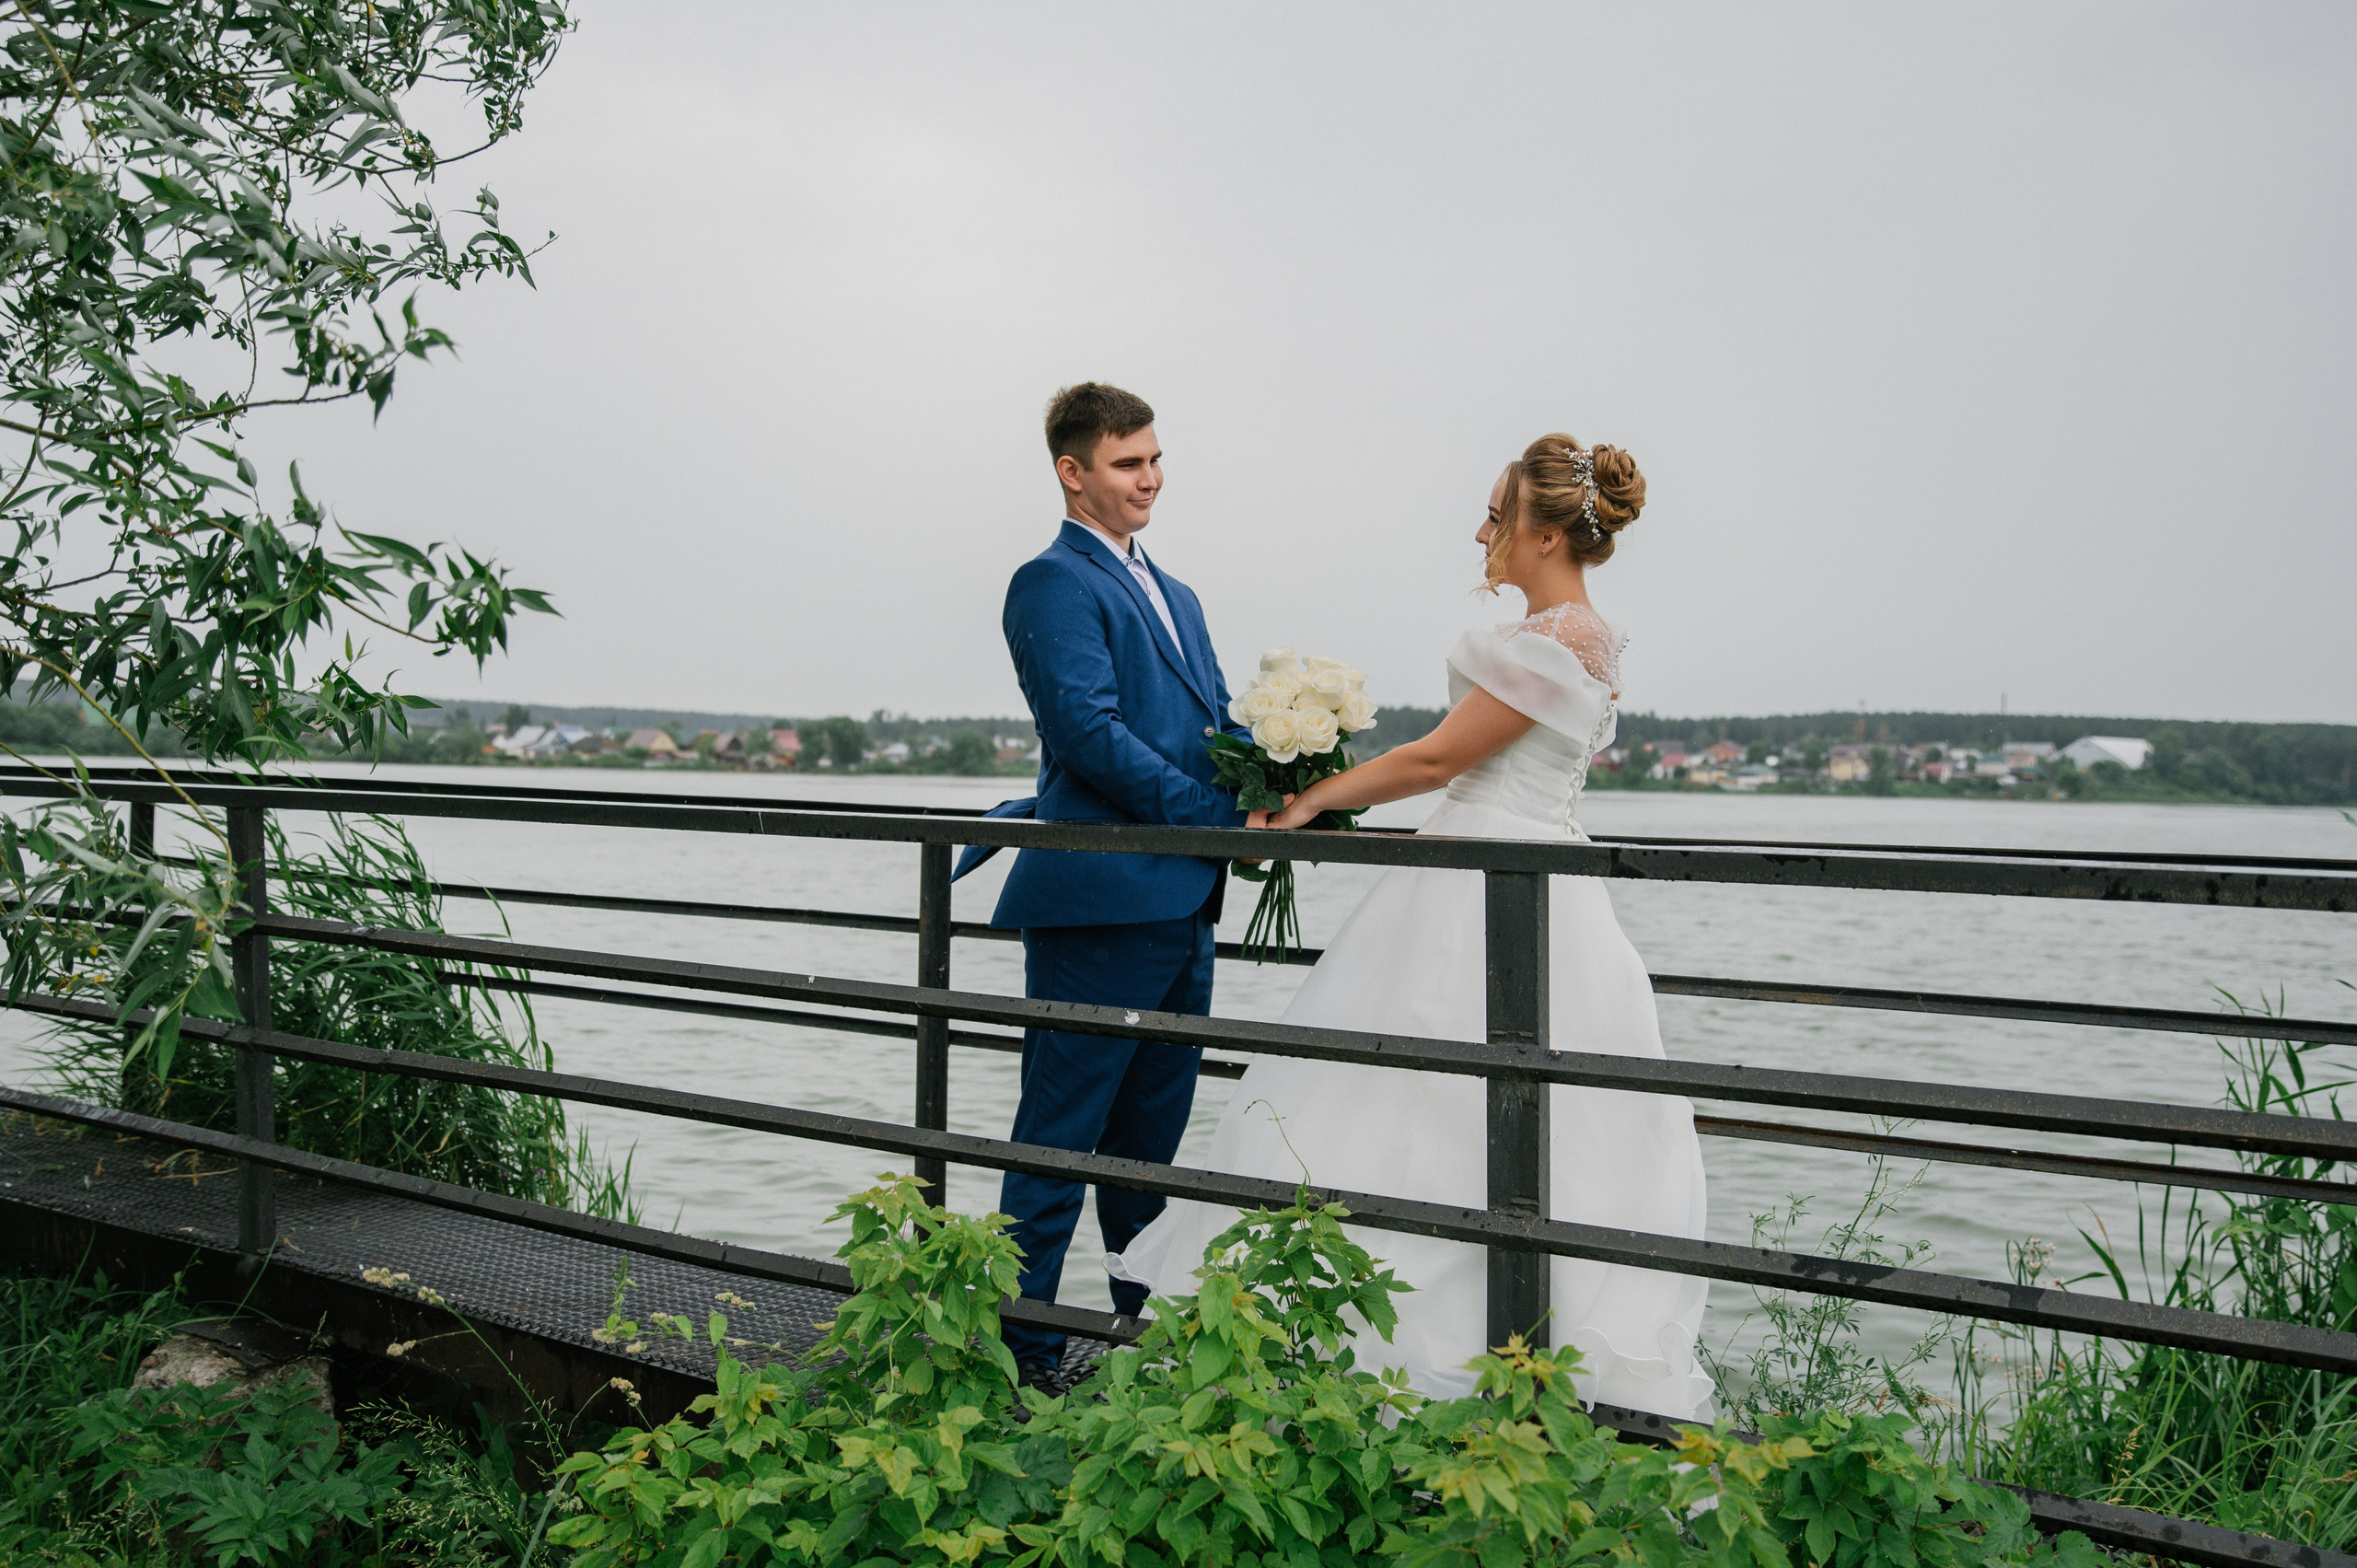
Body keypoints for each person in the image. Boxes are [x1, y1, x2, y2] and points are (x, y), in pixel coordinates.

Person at [1108, 434, 1713, 1419]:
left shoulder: (1557, 641)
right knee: (1418, 1107)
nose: (1481, 531)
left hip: (1486, 877)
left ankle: (1410, 1361)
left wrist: (1309, 800)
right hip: (1513, 871)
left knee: (1426, 1104)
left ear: (1547, 528)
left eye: (1496, 512)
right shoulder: (1570, 637)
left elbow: (1437, 760)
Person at [956, 382, 1263, 1394]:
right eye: (1129, 462)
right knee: (1057, 1139)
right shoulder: (1049, 582)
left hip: (1184, 907)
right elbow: (1087, 735)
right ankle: (1026, 1353)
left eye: (1156, 458)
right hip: (1095, 906)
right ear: (1072, 470)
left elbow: (1216, 727)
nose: (1150, 479)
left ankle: (1146, 1344)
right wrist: (1210, 816)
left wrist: (1284, 788)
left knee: (1149, 1149)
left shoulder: (1179, 594)